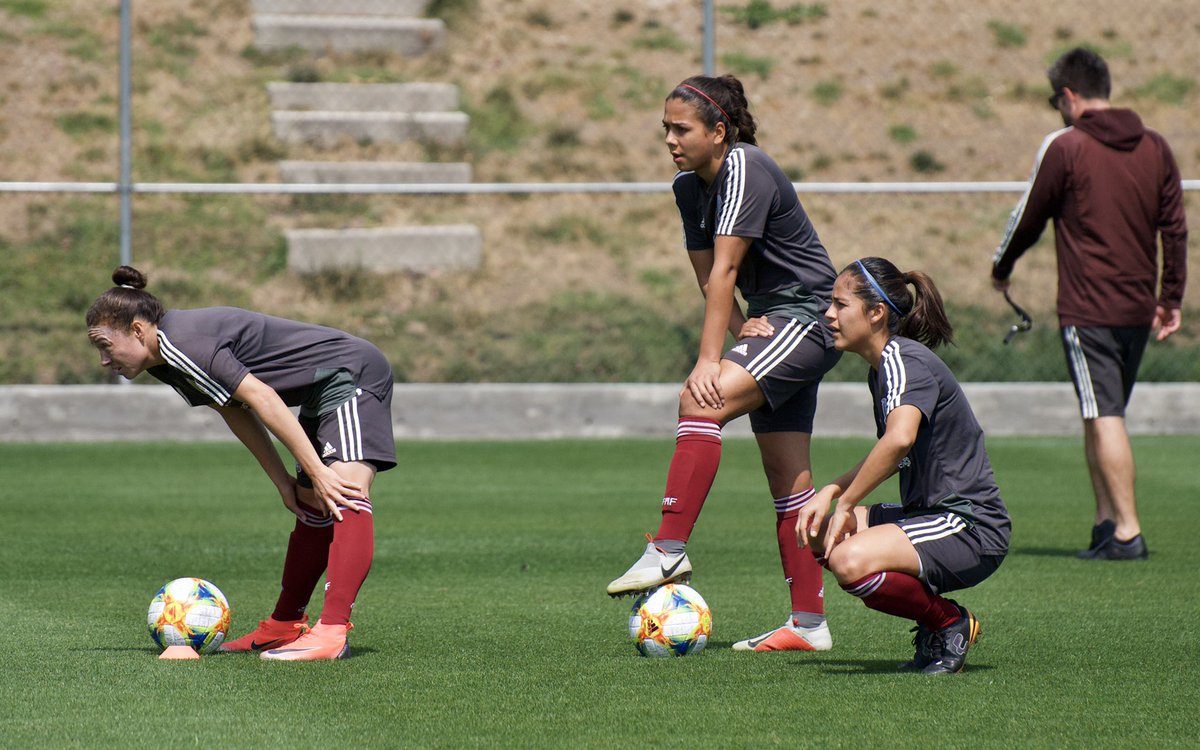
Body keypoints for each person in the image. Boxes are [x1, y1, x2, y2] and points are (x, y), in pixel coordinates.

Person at [606, 74, 842, 653]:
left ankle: (667, 550)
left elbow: (727, 272)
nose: (669, 139)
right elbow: (709, 274)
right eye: (665, 127)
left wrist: (709, 360)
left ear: (719, 131)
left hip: (809, 316)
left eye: (681, 128)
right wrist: (739, 328)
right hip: (773, 318)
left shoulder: (744, 166)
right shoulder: (689, 188)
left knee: (698, 400)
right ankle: (809, 625)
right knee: (788, 481)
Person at [86, 266, 396, 661]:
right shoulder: (164, 360)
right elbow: (233, 407)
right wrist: (284, 482)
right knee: (311, 505)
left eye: (105, 345)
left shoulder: (181, 343)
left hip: (351, 374)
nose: (102, 359)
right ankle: (284, 626)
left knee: (344, 492)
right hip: (321, 386)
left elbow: (264, 398)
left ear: (137, 330)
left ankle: (332, 632)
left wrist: (319, 472)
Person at [991, 47, 1188, 561]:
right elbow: (1176, 228)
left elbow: (1029, 215)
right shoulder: (1157, 148)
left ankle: (1127, 531)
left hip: (1088, 310)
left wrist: (1002, 268)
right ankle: (1104, 522)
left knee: (1105, 415)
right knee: (1098, 410)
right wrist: (1171, 298)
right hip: (1136, 308)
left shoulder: (1067, 146)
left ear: (1070, 96)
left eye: (1056, 99)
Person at [796, 257, 1011, 675]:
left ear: (876, 312)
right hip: (929, 514)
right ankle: (937, 622)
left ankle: (947, 622)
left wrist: (845, 502)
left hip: (969, 525)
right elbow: (895, 450)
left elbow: (899, 441)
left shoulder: (903, 361)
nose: (828, 314)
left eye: (840, 305)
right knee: (817, 530)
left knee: (850, 561)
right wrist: (832, 493)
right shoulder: (884, 369)